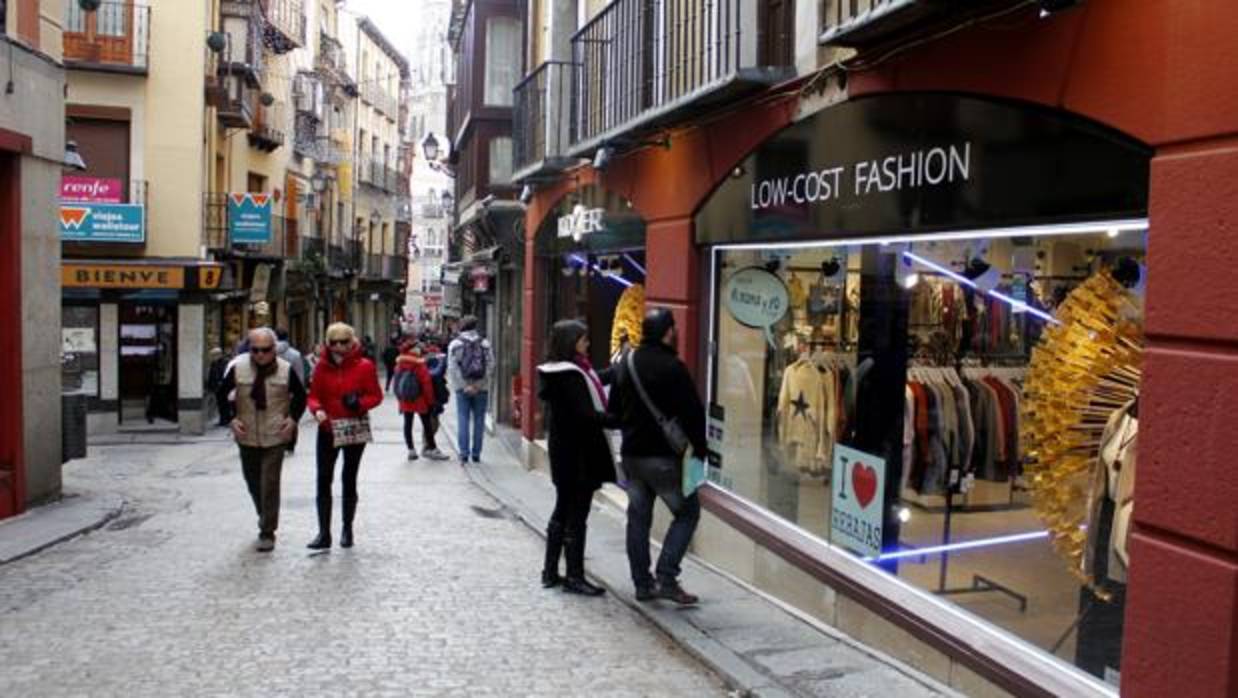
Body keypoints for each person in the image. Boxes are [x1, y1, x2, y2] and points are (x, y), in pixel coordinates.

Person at [608, 308, 707, 605]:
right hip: (663, 460)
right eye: (673, 328)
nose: (675, 333)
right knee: (687, 513)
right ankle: (666, 577)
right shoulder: (673, 367)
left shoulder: (626, 363)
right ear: (667, 332)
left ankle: (642, 584)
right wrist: (700, 451)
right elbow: (693, 413)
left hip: (632, 456)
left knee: (638, 519)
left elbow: (614, 413)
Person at [536, 320, 618, 596]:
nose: (587, 343)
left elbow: (595, 380)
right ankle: (574, 576)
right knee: (577, 514)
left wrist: (619, 370)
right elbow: (585, 414)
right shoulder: (569, 374)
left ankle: (550, 571)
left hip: (565, 451)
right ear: (572, 342)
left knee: (562, 508)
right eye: (583, 339)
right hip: (578, 455)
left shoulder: (565, 371)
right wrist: (619, 420)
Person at [215, 328, 307, 552]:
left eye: (265, 350)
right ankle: (263, 513)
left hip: (275, 435)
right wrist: (230, 419)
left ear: (273, 349)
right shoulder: (239, 367)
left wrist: (292, 420)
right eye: (255, 350)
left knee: (270, 483)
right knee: (253, 482)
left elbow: (301, 396)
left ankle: (267, 531)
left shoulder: (285, 369)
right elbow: (220, 392)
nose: (260, 355)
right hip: (247, 435)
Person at [306, 323, 383, 550]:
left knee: (348, 478)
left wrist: (359, 403)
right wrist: (317, 409)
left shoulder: (365, 366)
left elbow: (376, 396)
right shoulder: (321, 367)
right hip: (328, 428)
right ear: (327, 344)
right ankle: (323, 533)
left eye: (343, 342)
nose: (339, 347)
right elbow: (313, 396)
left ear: (352, 342)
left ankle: (347, 529)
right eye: (334, 342)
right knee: (323, 479)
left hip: (353, 426)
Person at [447, 315, 494, 465]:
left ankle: (464, 453)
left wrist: (464, 385)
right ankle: (476, 454)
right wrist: (478, 385)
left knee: (463, 418)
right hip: (482, 388)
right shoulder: (485, 343)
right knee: (479, 420)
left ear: (462, 326)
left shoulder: (455, 344)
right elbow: (491, 366)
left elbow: (452, 368)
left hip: (463, 389)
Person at [393, 340, 442, 461]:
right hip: (420, 400)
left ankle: (411, 450)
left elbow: (396, 384)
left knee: (407, 424)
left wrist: (400, 398)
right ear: (413, 350)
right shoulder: (419, 365)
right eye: (418, 348)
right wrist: (431, 402)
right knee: (426, 424)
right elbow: (426, 385)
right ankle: (432, 448)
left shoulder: (399, 364)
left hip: (405, 400)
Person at [206, 347, 231, 426]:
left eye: (214, 355)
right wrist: (210, 386)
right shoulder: (214, 363)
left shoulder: (225, 362)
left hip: (224, 388)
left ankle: (226, 420)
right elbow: (212, 375)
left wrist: (222, 382)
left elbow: (226, 374)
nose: (212, 357)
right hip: (217, 388)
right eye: (212, 355)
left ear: (219, 355)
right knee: (220, 404)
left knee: (225, 404)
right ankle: (222, 420)